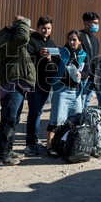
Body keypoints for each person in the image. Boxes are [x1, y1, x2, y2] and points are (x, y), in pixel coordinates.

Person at [0, 15, 36, 166]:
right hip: (11, 86)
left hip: (17, 85)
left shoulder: (16, 44)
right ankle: (3, 155)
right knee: (8, 121)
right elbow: (23, 37)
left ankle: (8, 151)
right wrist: (22, 21)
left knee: (13, 121)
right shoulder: (9, 40)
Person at [46, 30, 89, 151]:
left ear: (79, 41)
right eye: (70, 39)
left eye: (74, 40)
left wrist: (82, 74)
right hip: (61, 90)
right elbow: (52, 66)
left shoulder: (83, 55)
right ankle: (49, 146)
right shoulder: (60, 51)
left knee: (76, 120)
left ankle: (68, 145)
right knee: (56, 119)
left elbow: (87, 70)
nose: (71, 42)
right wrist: (49, 59)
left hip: (76, 92)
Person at [25, 16, 58, 156]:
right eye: (43, 28)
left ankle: (34, 141)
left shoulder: (51, 42)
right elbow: (27, 60)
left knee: (39, 111)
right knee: (34, 113)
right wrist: (39, 54)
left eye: (48, 28)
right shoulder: (32, 42)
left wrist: (51, 59)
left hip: (47, 83)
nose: (46, 30)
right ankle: (30, 144)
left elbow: (56, 61)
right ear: (38, 28)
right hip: (35, 83)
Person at [80, 12, 101, 108]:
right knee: (81, 100)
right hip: (84, 75)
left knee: (87, 101)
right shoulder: (79, 37)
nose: (96, 25)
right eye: (94, 23)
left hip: (93, 76)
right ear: (86, 23)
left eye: (97, 23)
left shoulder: (95, 40)